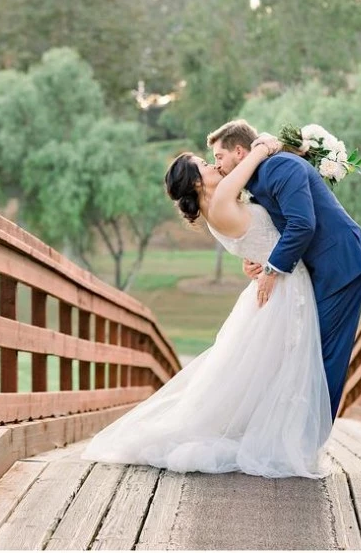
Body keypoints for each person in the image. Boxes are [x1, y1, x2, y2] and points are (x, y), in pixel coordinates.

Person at [81, 141, 332, 478]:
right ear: (196, 182)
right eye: (204, 163)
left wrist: (257, 261)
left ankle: (264, 428)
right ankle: (273, 435)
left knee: (266, 367)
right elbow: (255, 156)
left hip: (275, 282)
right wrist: (269, 144)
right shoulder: (224, 196)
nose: (213, 165)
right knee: (281, 364)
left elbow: (253, 237)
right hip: (281, 285)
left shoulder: (215, 213)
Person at [208, 120, 361, 421]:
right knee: (309, 351)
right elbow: (278, 227)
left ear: (239, 151)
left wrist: (272, 270)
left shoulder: (279, 167)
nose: (217, 165)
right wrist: (257, 259)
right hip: (319, 267)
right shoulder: (257, 179)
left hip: (342, 264)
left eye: (219, 157)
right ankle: (298, 430)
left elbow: (302, 224)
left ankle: (311, 435)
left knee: (325, 354)